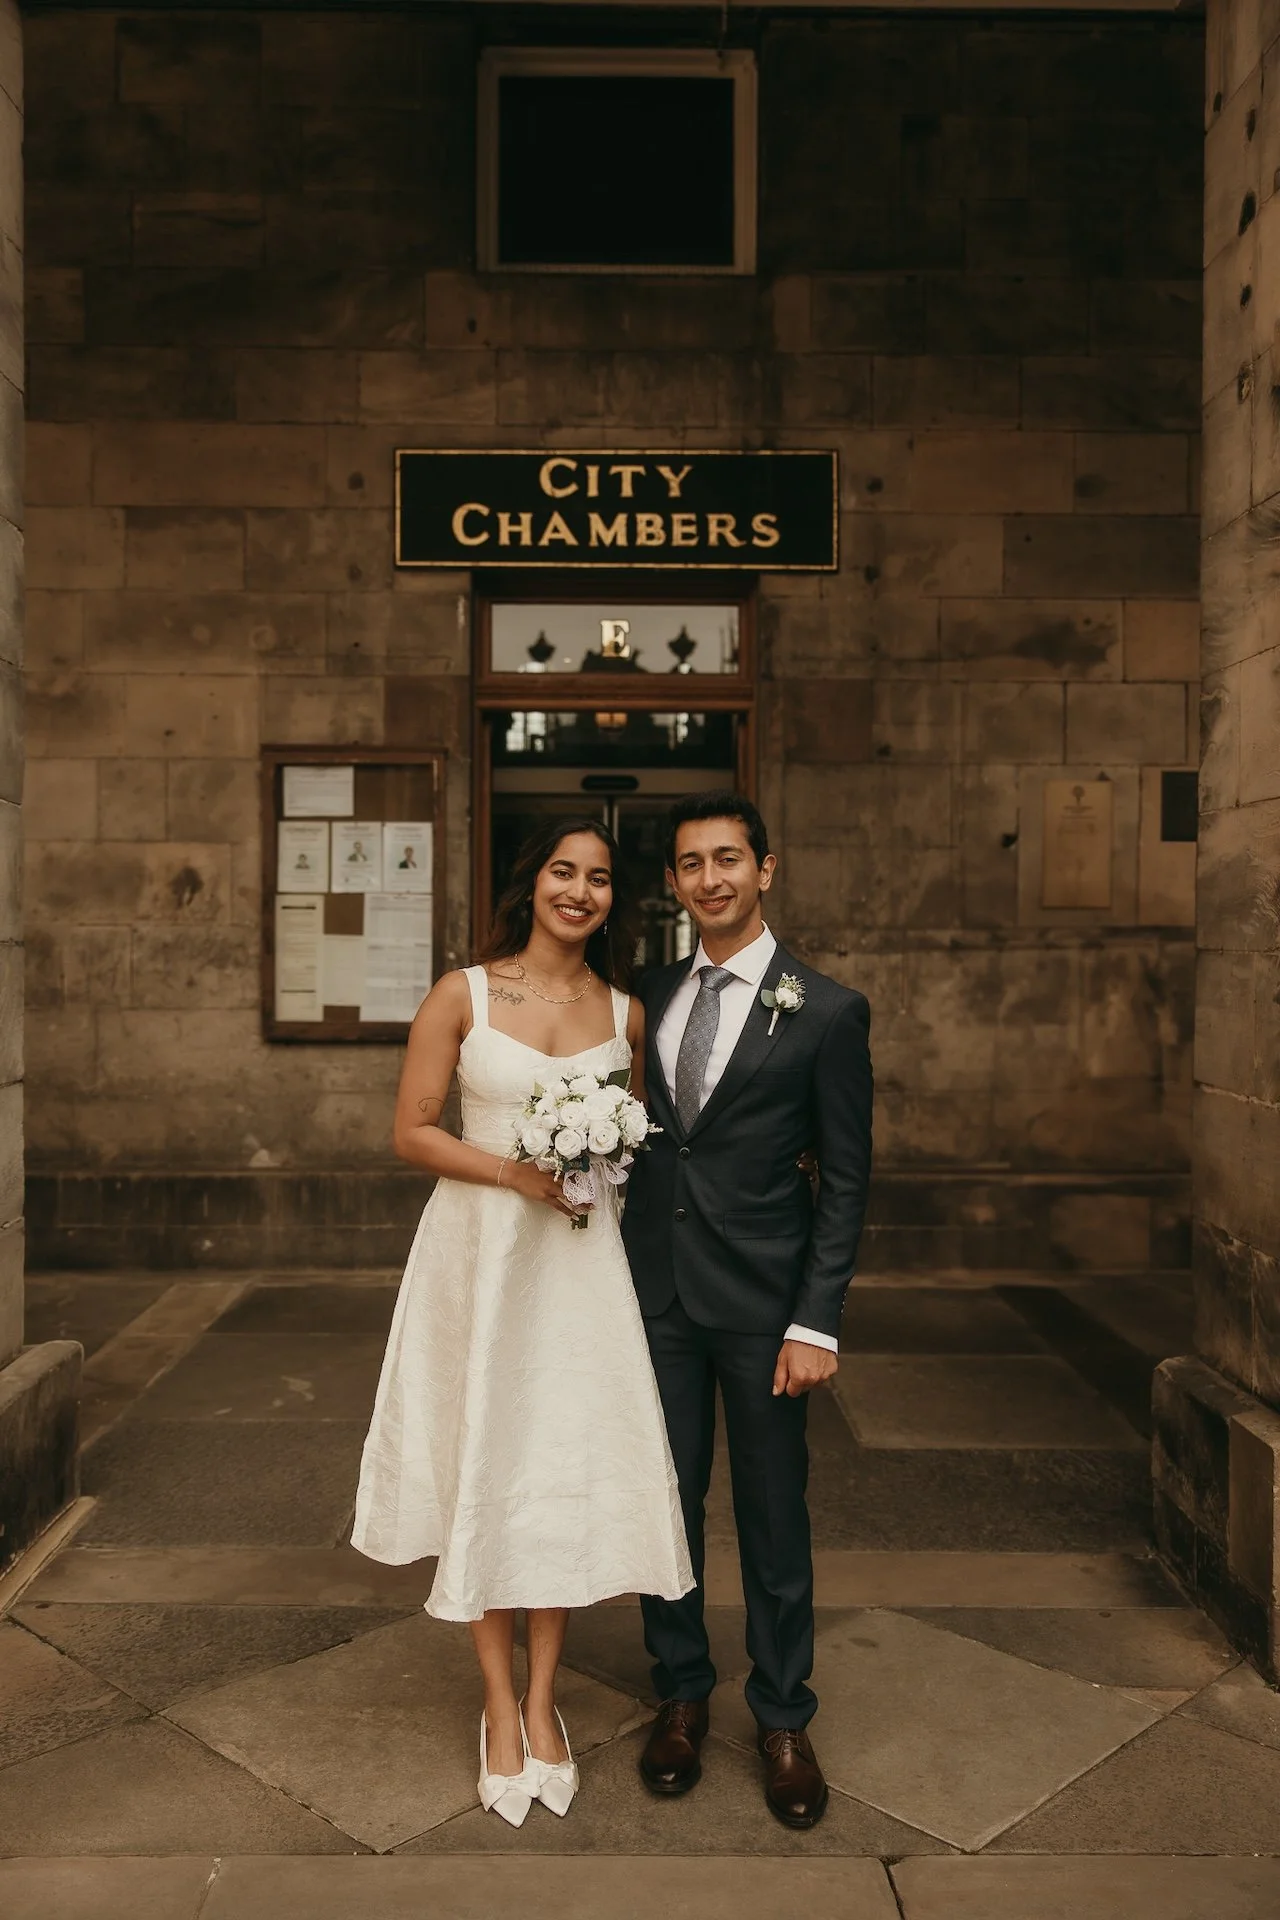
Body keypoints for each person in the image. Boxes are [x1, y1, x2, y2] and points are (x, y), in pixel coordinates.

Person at [352, 818, 692, 1827]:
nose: (578, 892)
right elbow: (411, 1130)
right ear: (531, 880)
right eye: (562, 872)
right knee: (488, 1461)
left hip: (579, 1269)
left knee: (556, 1468)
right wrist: (515, 1172)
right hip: (481, 1261)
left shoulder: (626, 1013)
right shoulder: (462, 992)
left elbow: (637, 1148)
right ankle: (497, 1707)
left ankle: (546, 1700)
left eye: (596, 880)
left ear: (610, 902)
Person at [622, 791, 873, 1830]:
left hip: (768, 1310)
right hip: (655, 1299)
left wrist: (815, 1321)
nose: (709, 878)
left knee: (772, 1516)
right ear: (674, 882)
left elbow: (847, 1178)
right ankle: (679, 1694)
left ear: (764, 869)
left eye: (727, 858)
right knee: (662, 1508)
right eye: (690, 863)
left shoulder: (823, 1010)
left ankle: (781, 1715)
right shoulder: (642, 994)